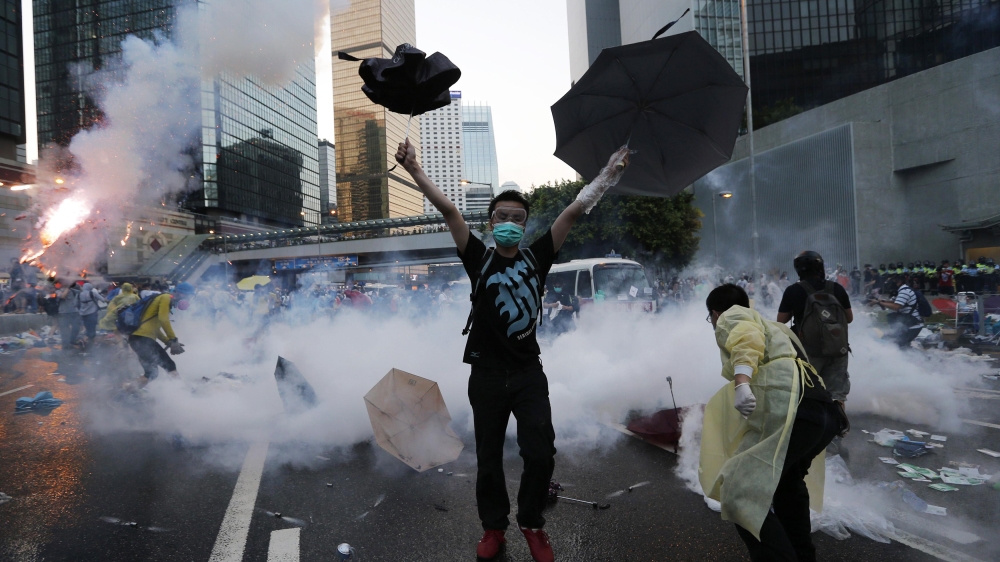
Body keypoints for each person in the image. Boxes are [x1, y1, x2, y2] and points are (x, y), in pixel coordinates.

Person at [396, 138, 629, 562]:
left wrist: (607, 177)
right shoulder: (479, 258)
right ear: (490, 223)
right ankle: (494, 528)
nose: (509, 222)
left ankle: (532, 523)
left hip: (527, 374)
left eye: (517, 218)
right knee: (488, 458)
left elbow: (573, 211)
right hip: (485, 376)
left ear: (524, 225)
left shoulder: (537, 257)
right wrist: (414, 169)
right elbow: (449, 210)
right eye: (502, 216)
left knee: (540, 451)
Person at [700, 284, 841, 562]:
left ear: (715, 314)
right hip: (822, 412)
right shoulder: (775, 328)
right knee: (788, 487)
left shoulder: (735, 316)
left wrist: (742, 382)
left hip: (792, 411)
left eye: (711, 318)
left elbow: (746, 340)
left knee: (739, 493)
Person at [776, 252, 853, 407]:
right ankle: (839, 426)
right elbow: (849, 318)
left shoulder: (793, 290)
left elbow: (781, 320)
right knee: (836, 395)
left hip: (808, 351)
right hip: (837, 348)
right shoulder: (836, 288)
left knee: (807, 392)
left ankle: (813, 426)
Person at [127, 282, 195, 387]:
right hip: (142, 339)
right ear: (180, 293)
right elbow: (163, 319)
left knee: (152, 374)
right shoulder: (166, 297)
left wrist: (167, 341)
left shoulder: (164, 299)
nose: (188, 299)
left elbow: (156, 330)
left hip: (139, 339)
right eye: (187, 296)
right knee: (169, 365)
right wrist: (173, 339)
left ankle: (125, 391)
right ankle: (183, 391)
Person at [875, 275, 924, 349]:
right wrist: (878, 301)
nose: (890, 283)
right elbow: (891, 302)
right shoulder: (900, 291)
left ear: (900, 281)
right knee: (889, 340)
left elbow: (896, 306)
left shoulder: (904, 291)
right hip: (907, 324)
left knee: (896, 345)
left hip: (912, 326)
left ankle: (911, 358)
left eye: (892, 281)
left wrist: (880, 303)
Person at [76, 282, 106, 348]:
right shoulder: (93, 293)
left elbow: (75, 304)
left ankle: (90, 343)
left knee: (87, 328)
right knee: (92, 328)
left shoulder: (79, 294)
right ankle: (84, 340)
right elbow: (103, 300)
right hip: (92, 314)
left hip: (83, 314)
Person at [57, 280, 82, 351]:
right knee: (64, 330)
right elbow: (62, 297)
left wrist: (79, 286)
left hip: (74, 312)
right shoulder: (59, 291)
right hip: (63, 313)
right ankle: (65, 345)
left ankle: (72, 341)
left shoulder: (74, 291)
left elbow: (82, 293)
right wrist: (67, 288)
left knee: (76, 328)